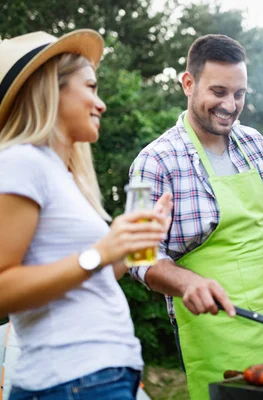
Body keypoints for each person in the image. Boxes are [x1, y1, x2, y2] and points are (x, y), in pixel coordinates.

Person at [129, 34, 263, 400]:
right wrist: (185, 283)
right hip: (211, 329)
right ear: (188, 83)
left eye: (239, 94)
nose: (230, 105)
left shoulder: (255, 143)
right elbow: (136, 255)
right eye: (218, 91)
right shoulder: (152, 161)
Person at [0, 30, 172, 400]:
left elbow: (94, 273)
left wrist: (131, 246)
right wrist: (101, 250)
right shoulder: (21, 162)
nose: (101, 103)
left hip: (103, 375)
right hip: (71, 380)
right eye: (91, 87)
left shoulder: (61, 177)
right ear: (51, 90)